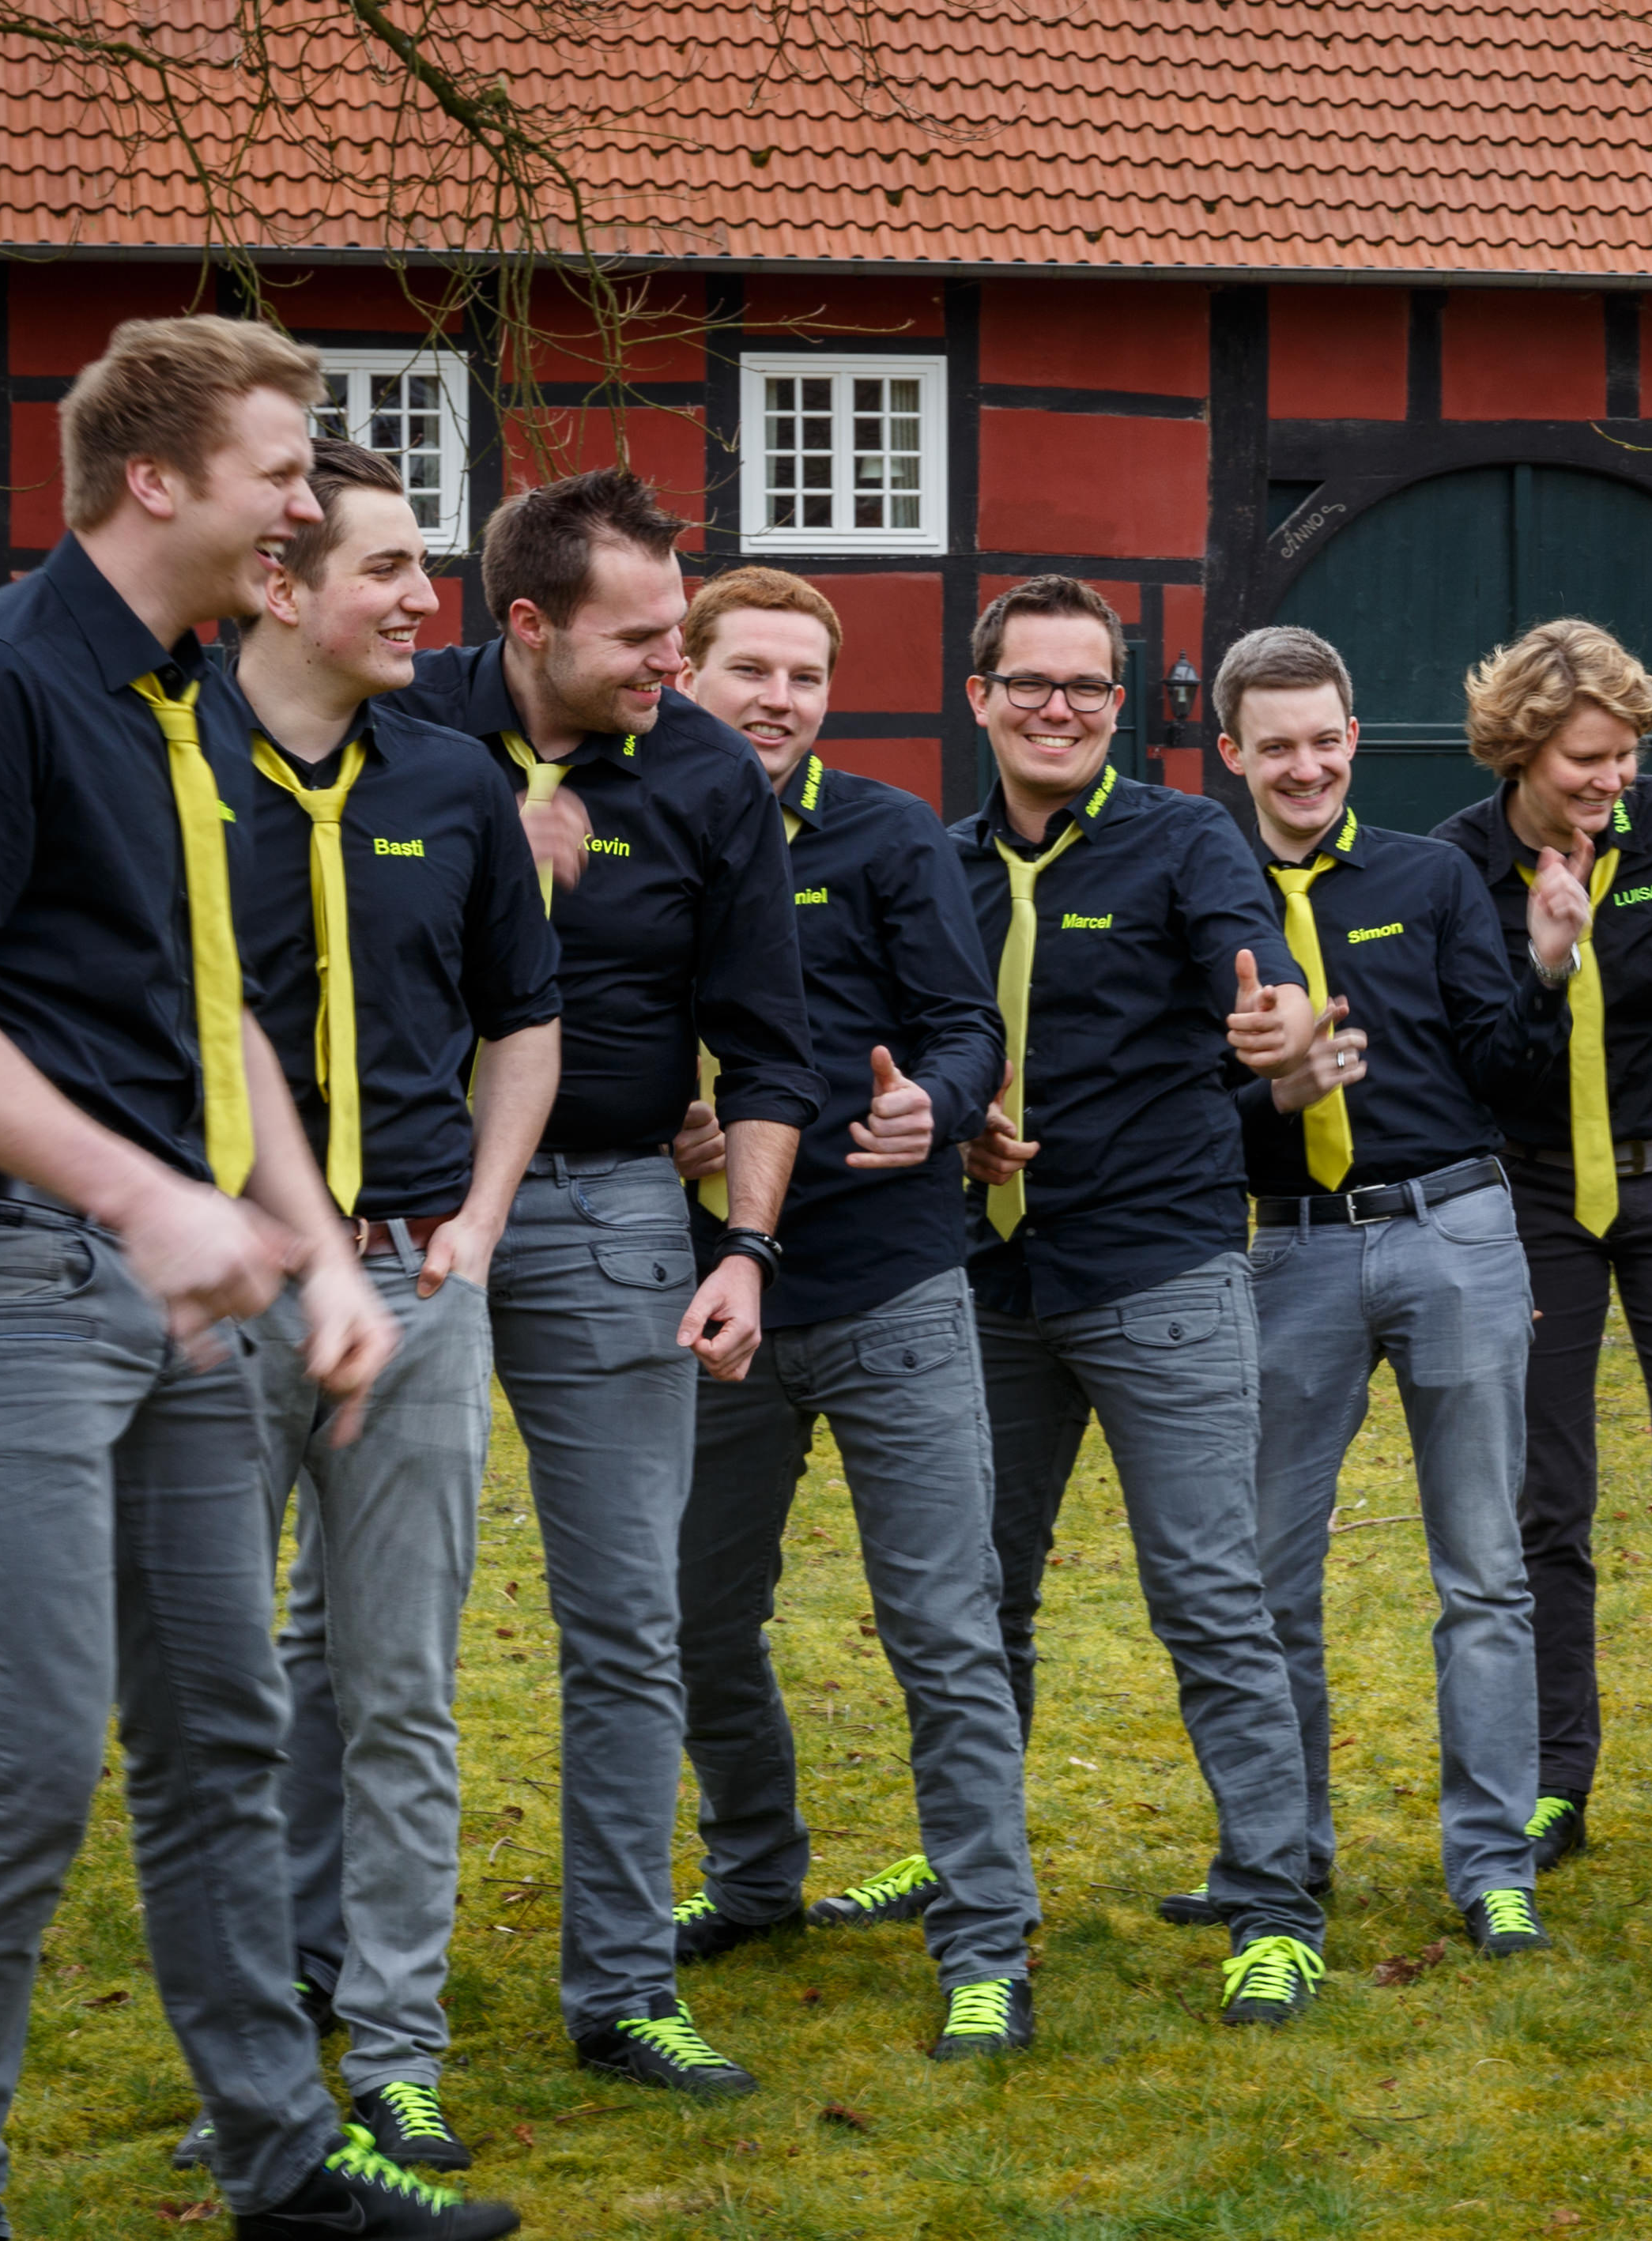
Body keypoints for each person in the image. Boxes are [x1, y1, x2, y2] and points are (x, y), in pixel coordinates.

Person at [0, 314, 514, 2241]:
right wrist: (153, 1200)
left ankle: (281, 2161)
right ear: (158, 480)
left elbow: (218, 1015)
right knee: (30, 1758)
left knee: (223, 1735)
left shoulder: (177, 704)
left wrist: (307, 1244)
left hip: (178, 1296)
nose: (305, 503)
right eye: (282, 469)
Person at [383, 469, 822, 2098]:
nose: (673, 663)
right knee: (361, 1626)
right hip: (400, 1215)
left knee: (630, 1619)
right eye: (640, 637)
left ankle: (625, 1987)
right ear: (526, 623)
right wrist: (487, 859)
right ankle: (325, 1970)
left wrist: (747, 1248)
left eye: (676, 630)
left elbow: (769, 1042)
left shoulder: (704, 775)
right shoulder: (397, 727)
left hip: (614, 1209)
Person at [215, 437, 562, 2174]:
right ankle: (253, 2061)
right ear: (280, 584)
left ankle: (400, 2049)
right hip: (223, 1289)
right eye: (389, 569)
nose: (428, 599)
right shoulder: (167, 767)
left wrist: (480, 1225)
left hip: (418, 1282)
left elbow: (526, 1017)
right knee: (224, 1697)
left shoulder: (455, 779)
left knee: (400, 1689)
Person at [651, 568, 1037, 2062]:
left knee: (943, 1624)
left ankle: (986, 1942)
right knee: (698, 1617)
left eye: (806, 676)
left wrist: (934, 1103)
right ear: (684, 673)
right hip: (699, 1297)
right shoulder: (625, 829)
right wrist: (657, 1129)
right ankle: (755, 1876)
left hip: (889, 1280)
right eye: (750, 669)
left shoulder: (885, 833)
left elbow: (964, 1024)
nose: (779, 700)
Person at [951, 576, 1331, 2025]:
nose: (1058, 710)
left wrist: (1277, 1015)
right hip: (989, 1286)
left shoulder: (1184, 840)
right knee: (980, 1602)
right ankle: (980, 1886)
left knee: (1210, 1599)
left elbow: (1258, 965)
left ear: (1121, 708)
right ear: (981, 696)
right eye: (1030, 684)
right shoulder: (939, 861)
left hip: (1159, 1274)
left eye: (1087, 688)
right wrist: (950, 1118)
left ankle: (1273, 1902)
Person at [1196, 623, 1567, 1958]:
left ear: (1355, 738)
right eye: (1276, 748)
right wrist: (1273, 1092)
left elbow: (1508, 1070)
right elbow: (1185, 1113)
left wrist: (1548, 965)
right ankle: (1281, 1854)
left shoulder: (1433, 875)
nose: (1305, 768)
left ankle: (1494, 1860)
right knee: (1265, 1578)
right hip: (1290, 1250)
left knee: (1484, 1571)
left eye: (1325, 741)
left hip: (1452, 1229)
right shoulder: (1205, 895)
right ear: (1231, 753)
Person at [1432, 620, 1652, 1877]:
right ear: (1521, 751)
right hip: (1534, 1205)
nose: (1614, 779)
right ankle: (1555, 1781)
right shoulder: (1455, 868)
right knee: (1547, 1501)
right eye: (1587, 759)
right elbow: (1472, 1060)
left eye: (1627, 753)